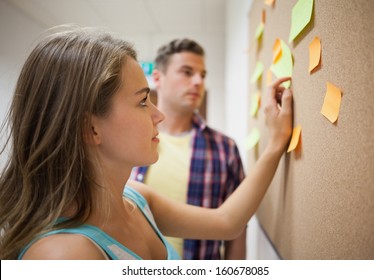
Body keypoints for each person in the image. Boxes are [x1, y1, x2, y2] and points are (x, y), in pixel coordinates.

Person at [0, 26, 293, 260]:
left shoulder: (137, 199)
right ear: (90, 127)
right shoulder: (64, 257)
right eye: (142, 101)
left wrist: (276, 142)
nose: (158, 115)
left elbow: (228, 222)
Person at [131, 38, 246, 260]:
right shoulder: (129, 143)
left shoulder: (225, 149)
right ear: (158, 78)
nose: (197, 81)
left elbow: (237, 228)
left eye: (202, 75)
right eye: (186, 72)